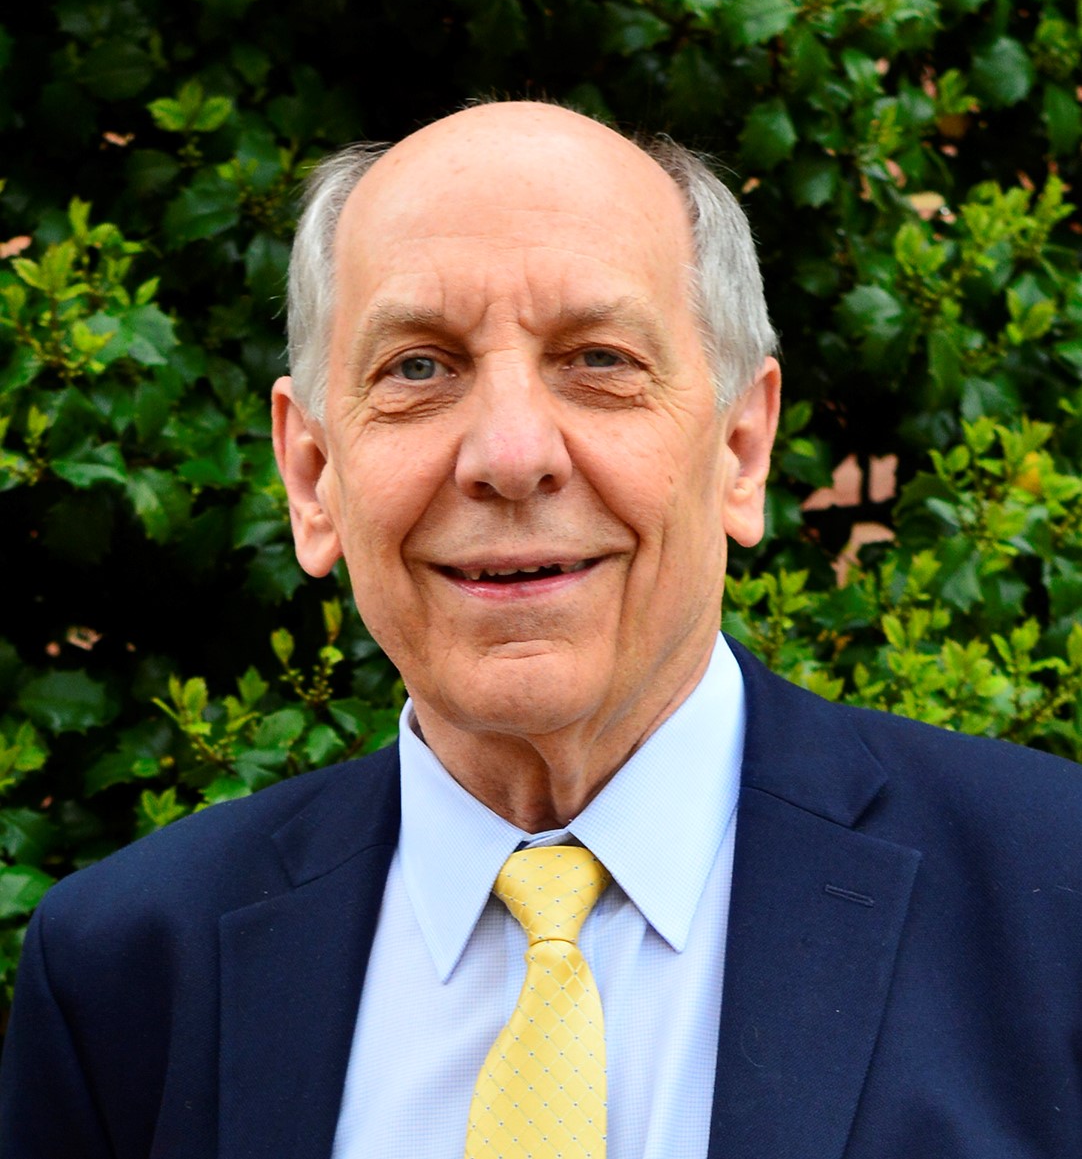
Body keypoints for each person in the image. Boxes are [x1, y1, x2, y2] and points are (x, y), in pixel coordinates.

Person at [2, 101, 1081, 1159]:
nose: (511, 454)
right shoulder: (127, 971)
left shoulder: (1053, 901)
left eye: (599, 359)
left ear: (739, 449)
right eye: (417, 367)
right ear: (312, 475)